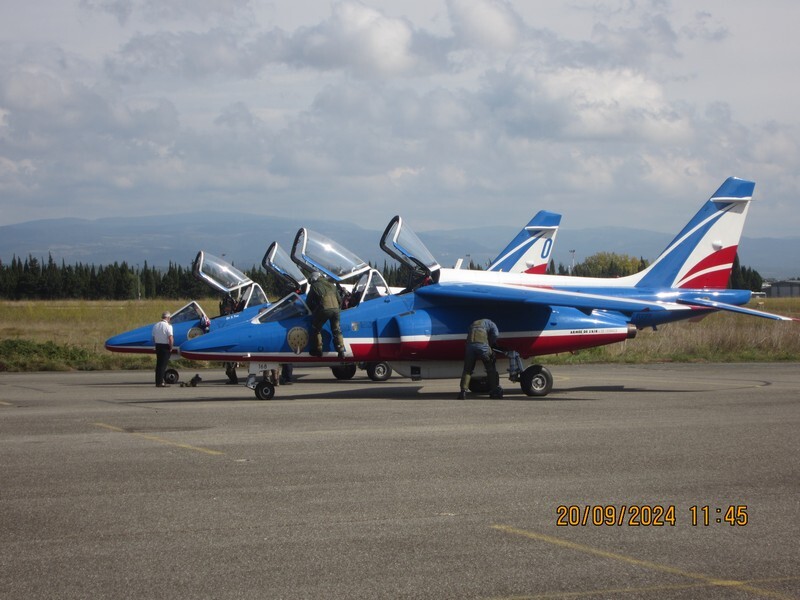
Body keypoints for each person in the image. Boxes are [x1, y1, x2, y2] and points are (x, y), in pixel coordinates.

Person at [458, 318, 503, 399]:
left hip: (469, 347)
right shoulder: (490, 323)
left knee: (467, 370)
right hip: (482, 347)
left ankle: (463, 392)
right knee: (490, 367)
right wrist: (492, 343)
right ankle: (494, 391)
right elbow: (495, 334)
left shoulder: (473, 324)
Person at [307, 271, 345, 358]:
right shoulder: (332, 285)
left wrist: (313, 311)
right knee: (336, 330)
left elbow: (308, 302)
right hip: (336, 310)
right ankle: (341, 351)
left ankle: (318, 350)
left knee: (316, 328)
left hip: (324, 310)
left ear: (314, 279)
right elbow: (339, 300)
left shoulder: (315, 286)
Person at [151, 311, 174, 387]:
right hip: (165, 346)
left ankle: (158, 381)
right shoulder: (168, 326)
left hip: (158, 346)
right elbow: (170, 338)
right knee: (163, 365)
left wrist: (155, 345)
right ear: (168, 318)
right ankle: (160, 382)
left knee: (158, 365)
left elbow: (153, 338)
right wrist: (171, 347)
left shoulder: (156, 325)